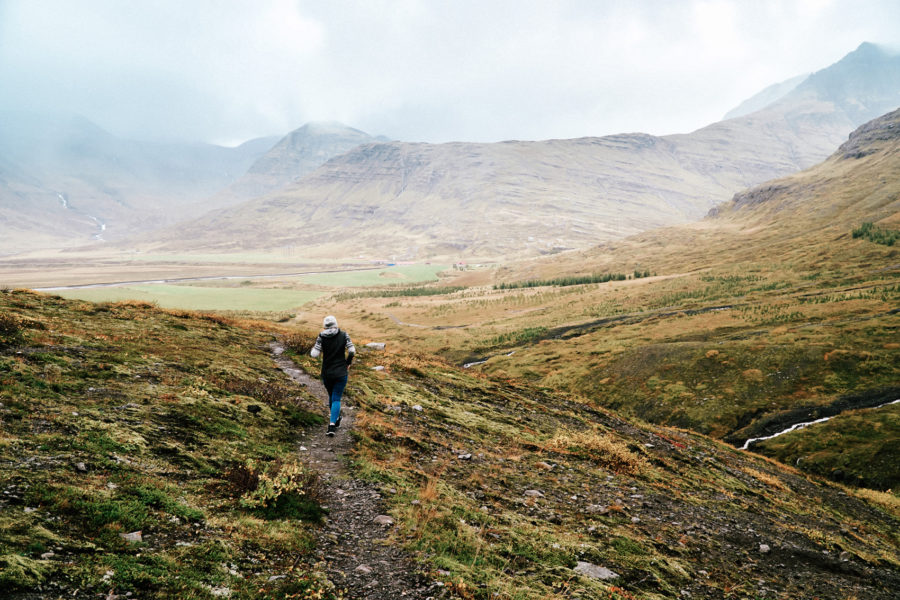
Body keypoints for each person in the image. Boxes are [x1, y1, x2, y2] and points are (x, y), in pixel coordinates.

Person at [310, 315, 355, 436]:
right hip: (341, 372)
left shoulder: (321, 336)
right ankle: (332, 425)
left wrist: (317, 348)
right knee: (336, 398)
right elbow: (352, 351)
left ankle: (334, 420)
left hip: (327, 372)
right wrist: (348, 362)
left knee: (332, 396)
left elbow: (314, 354)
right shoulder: (344, 335)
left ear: (325, 325)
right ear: (336, 323)